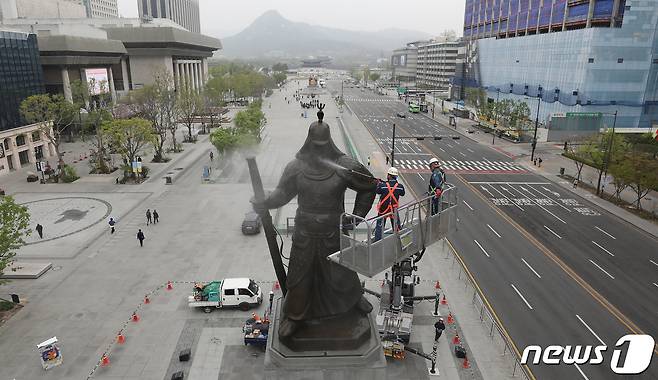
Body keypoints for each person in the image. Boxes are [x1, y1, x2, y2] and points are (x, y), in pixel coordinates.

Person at [251, 105, 376, 339]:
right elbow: (282, 194)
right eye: (315, 147)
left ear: (329, 145)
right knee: (300, 274)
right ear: (308, 144)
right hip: (305, 231)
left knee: (341, 271)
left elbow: (370, 185)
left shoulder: (344, 166)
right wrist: (265, 202)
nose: (319, 152)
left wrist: (356, 215)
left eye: (322, 147)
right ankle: (296, 316)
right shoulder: (296, 168)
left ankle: (353, 299)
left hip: (334, 230)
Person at [374, 167, 405, 241]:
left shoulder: (382, 185)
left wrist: (379, 184)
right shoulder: (400, 187)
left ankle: (377, 243)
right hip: (393, 209)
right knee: (397, 227)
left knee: (379, 227)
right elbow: (402, 193)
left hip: (383, 209)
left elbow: (377, 191)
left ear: (389, 176)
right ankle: (401, 241)